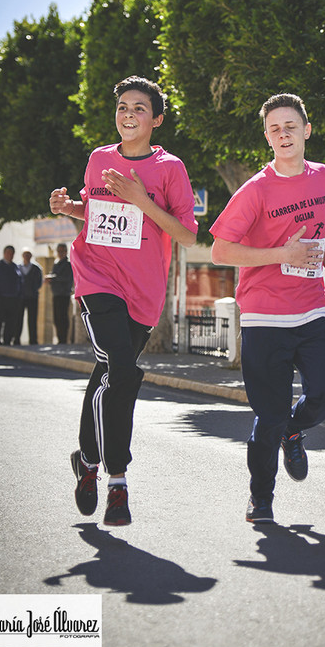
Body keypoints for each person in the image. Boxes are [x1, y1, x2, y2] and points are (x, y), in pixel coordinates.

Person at [48, 75, 197, 527]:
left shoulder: (170, 168)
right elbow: (96, 214)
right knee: (122, 368)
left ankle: (86, 460)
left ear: (157, 119)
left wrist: (139, 199)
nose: (128, 115)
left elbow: (187, 234)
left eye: (138, 108)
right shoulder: (98, 159)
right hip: (97, 278)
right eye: (122, 108)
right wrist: (69, 208)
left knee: (111, 374)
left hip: (144, 292)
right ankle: (118, 483)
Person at [210, 92, 325, 524]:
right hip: (263, 317)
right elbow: (220, 251)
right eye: (275, 129)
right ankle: (261, 498)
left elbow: (321, 232)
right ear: (268, 138)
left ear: (306, 130)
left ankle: (295, 430)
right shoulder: (256, 190)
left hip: (311, 309)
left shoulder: (324, 177)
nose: (283, 134)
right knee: (268, 415)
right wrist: (280, 255)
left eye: (290, 126)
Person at [0, 245, 23, 347]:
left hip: (13, 299)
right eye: (8, 253)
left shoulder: (15, 267)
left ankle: (7, 340)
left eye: (12, 253)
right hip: (0, 297)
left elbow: (20, 282)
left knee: (11, 321)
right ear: (4, 253)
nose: (9, 255)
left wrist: (19, 295)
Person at [45, 243, 74, 344]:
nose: (61, 253)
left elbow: (66, 278)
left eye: (63, 251)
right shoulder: (56, 263)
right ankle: (59, 338)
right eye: (59, 251)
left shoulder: (68, 264)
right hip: (56, 294)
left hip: (64, 294)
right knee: (56, 318)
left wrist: (53, 278)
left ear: (66, 252)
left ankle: (64, 339)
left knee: (63, 318)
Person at [15, 248, 43, 344]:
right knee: (18, 318)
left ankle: (33, 340)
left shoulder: (36, 268)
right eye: (25, 255)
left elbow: (39, 282)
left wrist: (33, 289)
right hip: (20, 297)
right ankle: (16, 339)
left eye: (28, 255)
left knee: (32, 319)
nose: (27, 257)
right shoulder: (18, 267)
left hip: (32, 297)